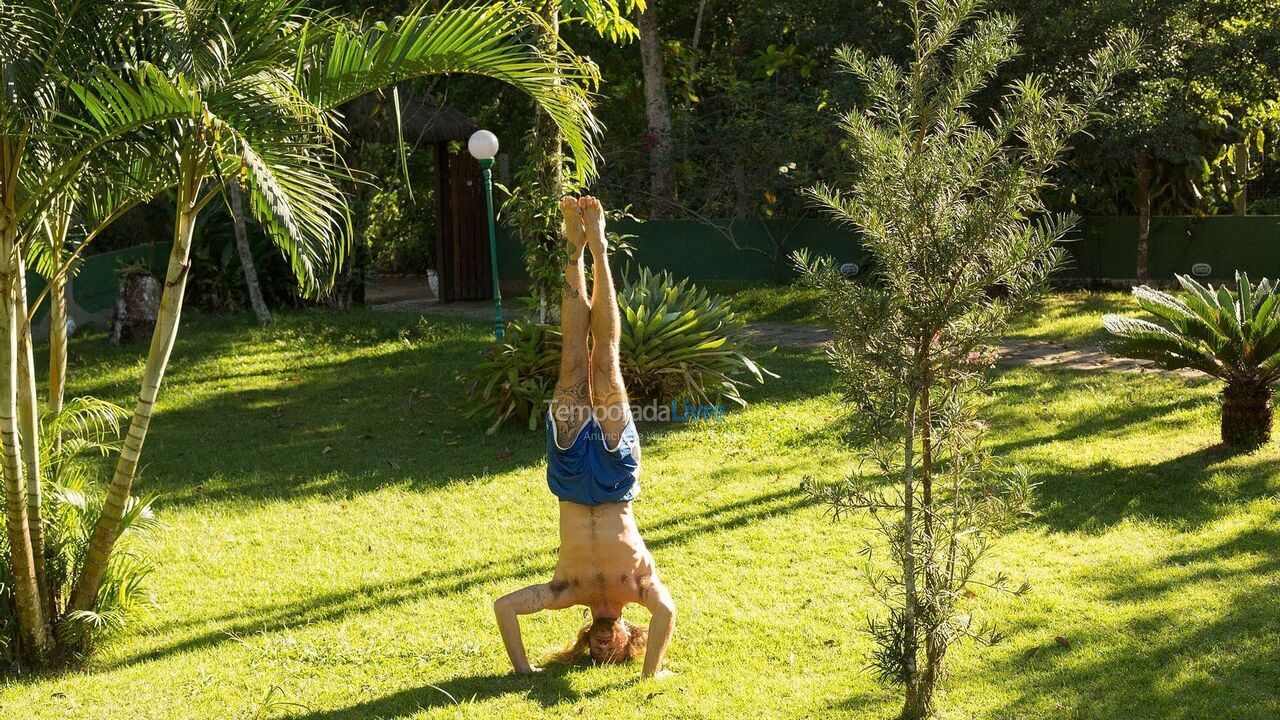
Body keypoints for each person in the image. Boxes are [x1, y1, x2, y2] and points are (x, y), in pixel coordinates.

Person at [493, 196, 675, 679]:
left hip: (570, 477)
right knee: (607, 362)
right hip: (616, 479)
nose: (600, 648)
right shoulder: (638, 588)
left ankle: (574, 252)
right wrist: (650, 672)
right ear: (628, 638)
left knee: (574, 359)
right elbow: (668, 614)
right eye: (610, 652)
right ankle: (600, 250)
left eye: (593, 655)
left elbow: (504, 608)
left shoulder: (564, 592)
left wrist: (523, 670)